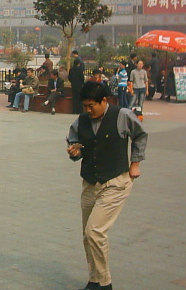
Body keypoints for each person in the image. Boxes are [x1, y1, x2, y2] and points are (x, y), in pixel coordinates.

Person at [66, 81, 148, 290]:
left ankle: (105, 283)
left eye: (91, 105)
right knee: (88, 236)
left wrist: (135, 163)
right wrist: (75, 152)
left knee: (95, 231)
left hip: (115, 181)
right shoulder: (82, 120)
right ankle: (94, 280)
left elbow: (140, 135)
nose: (88, 110)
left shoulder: (122, 115)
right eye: (84, 105)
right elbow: (75, 143)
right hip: (90, 182)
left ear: (104, 101)